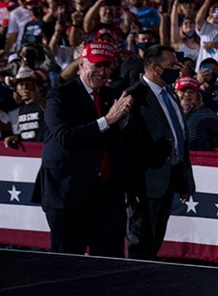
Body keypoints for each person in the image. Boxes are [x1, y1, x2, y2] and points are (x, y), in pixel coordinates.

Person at [35, 41, 135, 256]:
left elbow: (119, 144)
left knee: (109, 266)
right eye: (97, 65)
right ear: (81, 64)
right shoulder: (59, 96)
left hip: (108, 197)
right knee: (66, 267)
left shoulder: (113, 96)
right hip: (68, 195)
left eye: (108, 66)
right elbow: (65, 137)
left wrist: (123, 121)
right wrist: (107, 120)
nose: (103, 72)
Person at [124, 44, 196, 260]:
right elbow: (126, 145)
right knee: (140, 241)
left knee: (155, 238)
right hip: (144, 185)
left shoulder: (170, 94)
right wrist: (129, 185)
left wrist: (184, 179)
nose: (178, 68)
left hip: (168, 179)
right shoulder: (134, 96)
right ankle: (132, 285)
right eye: (172, 64)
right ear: (155, 68)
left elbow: (179, 137)